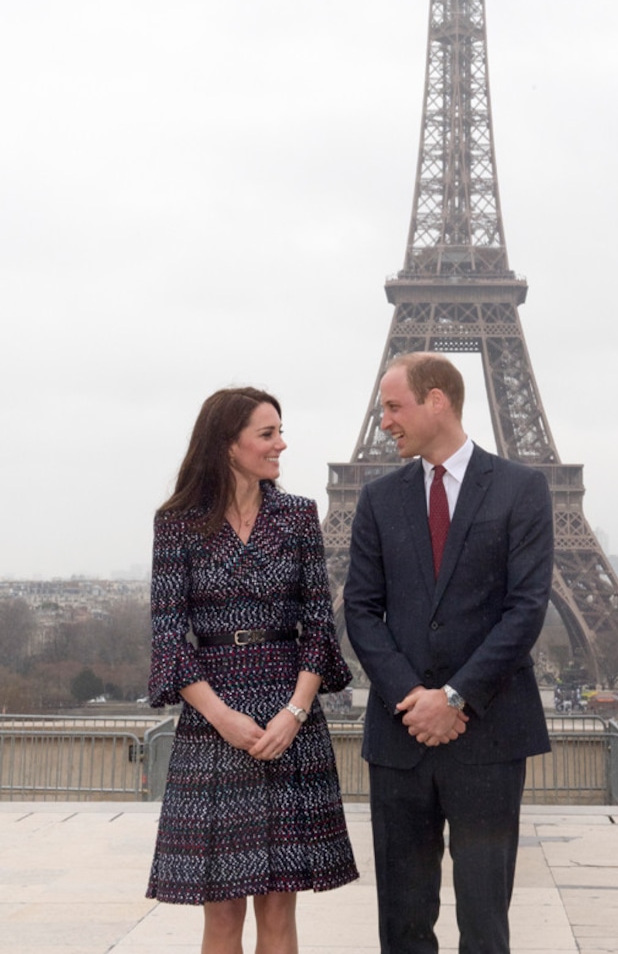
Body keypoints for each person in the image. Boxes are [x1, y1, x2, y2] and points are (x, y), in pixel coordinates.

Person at [344, 353, 553, 954]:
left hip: (486, 736)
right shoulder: (379, 498)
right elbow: (360, 610)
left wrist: (456, 697)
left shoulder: (522, 488)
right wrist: (416, 698)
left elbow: (526, 609)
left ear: (437, 400)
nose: (384, 420)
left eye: (393, 406)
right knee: (402, 923)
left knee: (485, 923)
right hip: (400, 734)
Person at [146, 386, 358, 954]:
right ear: (228, 444)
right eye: (267, 434)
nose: (281, 444)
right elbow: (168, 633)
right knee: (220, 917)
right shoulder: (179, 524)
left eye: (279, 431)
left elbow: (319, 624)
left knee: (279, 913)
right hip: (213, 717)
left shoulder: (298, 516)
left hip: (289, 713)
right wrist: (222, 718)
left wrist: (295, 712)